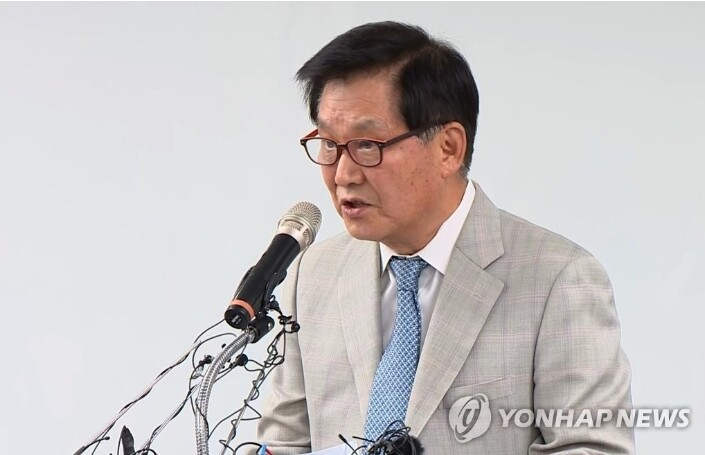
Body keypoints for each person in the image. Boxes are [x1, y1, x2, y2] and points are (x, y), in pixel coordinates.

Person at [257, 21, 635, 454]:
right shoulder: (314, 274)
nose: (343, 174)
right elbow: (283, 442)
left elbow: (590, 447)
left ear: (449, 148)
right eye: (328, 143)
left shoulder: (558, 280)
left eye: (367, 145)